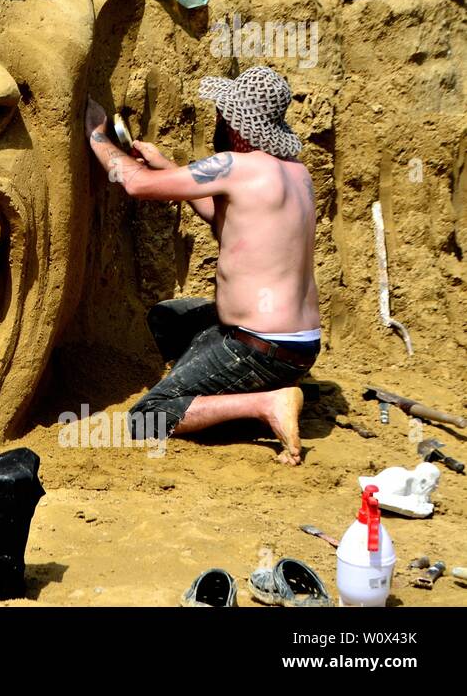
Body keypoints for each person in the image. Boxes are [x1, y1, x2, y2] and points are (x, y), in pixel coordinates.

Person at [84, 66, 321, 465]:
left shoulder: (237, 165)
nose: (219, 122)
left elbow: (136, 185)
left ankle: (265, 402)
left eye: (224, 115)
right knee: (168, 318)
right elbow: (227, 222)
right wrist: (164, 164)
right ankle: (248, 389)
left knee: (149, 415)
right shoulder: (297, 173)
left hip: (259, 348)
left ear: (239, 126)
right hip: (298, 345)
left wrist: (97, 135)